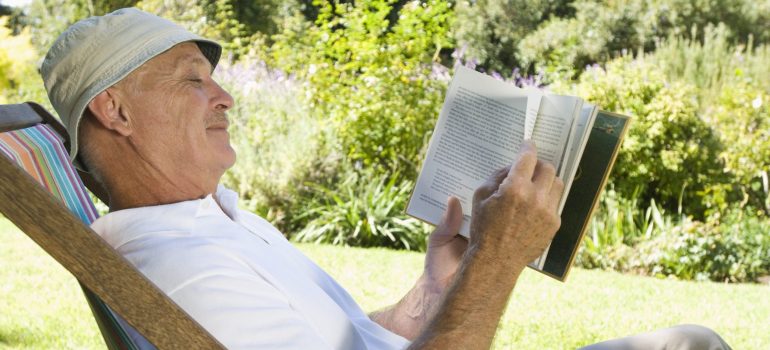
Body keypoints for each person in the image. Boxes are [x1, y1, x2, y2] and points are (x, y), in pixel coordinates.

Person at [40, 8, 731, 350]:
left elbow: (340, 336)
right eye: (194, 81)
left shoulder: (206, 220)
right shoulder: (179, 268)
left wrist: (437, 285)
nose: (224, 98)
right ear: (116, 109)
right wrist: (495, 259)